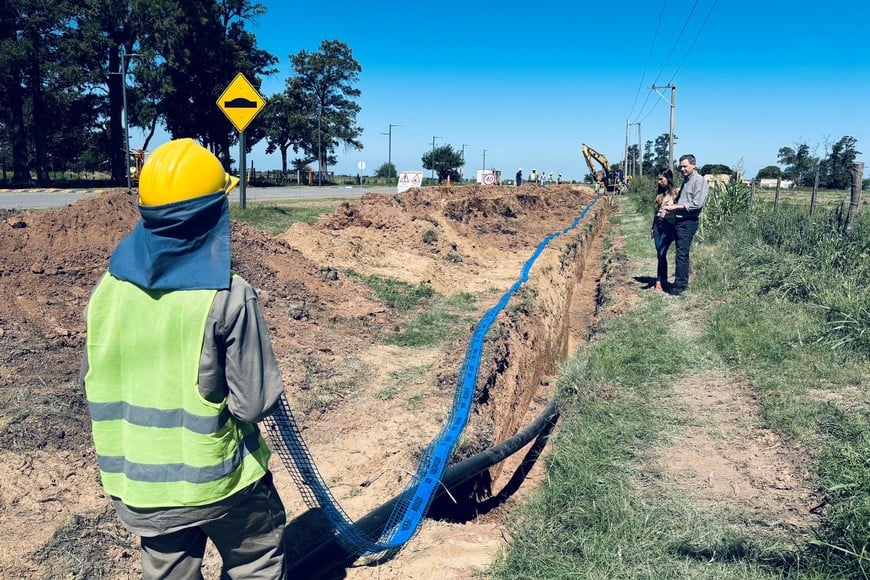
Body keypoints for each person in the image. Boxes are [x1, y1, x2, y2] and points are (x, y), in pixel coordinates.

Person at [82, 138, 288, 578]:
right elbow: (253, 403)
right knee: (256, 559)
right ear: (214, 213)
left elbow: (96, 379)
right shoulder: (229, 297)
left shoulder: (106, 292)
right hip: (222, 483)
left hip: (141, 489)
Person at [660, 153, 709, 295]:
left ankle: (680, 286)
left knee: (682, 254)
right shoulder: (686, 180)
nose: (682, 169)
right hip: (679, 221)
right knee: (679, 253)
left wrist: (676, 207)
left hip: (688, 222)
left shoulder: (699, 181)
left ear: (693, 165)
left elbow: (697, 204)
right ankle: (676, 282)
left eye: (685, 166)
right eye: (680, 166)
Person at [650, 168, 678, 291]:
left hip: (668, 226)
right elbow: (656, 212)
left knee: (662, 252)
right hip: (658, 225)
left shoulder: (676, 193)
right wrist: (652, 227)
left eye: (661, 179)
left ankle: (659, 280)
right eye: (658, 179)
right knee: (659, 254)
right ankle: (663, 279)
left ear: (668, 178)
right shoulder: (660, 193)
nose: (659, 182)